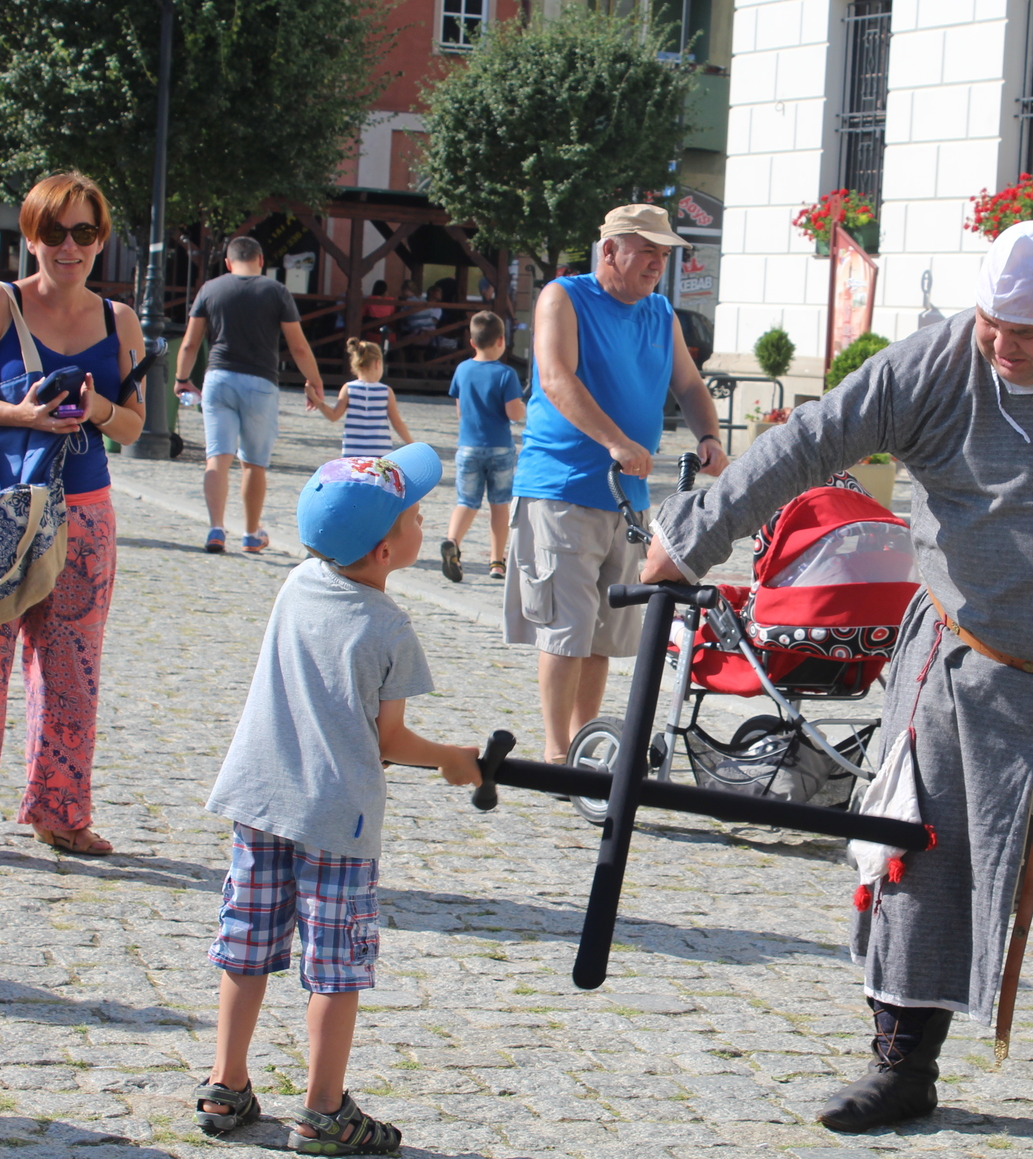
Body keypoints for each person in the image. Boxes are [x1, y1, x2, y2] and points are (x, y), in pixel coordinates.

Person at [641, 222, 1033, 1148]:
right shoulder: (937, 365)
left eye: (1022, 331)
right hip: (960, 671)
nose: (999, 344)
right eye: (990, 322)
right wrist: (689, 536)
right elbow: (807, 443)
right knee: (921, 868)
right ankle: (901, 1067)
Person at [196, 443, 481, 1150]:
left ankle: (225, 1087)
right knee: (335, 965)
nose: (424, 520)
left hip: (259, 801)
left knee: (247, 947)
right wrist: (451, 759)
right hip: (336, 818)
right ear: (388, 551)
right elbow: (389, 741)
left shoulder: (296, 583)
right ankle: (324, 1111)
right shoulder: (389, 628)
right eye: (416, 516)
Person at [0, 171, 147, 862]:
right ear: (30, 235)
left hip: (84, 512)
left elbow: (132, 426)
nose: (66, 247)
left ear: (101, 239)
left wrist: (96, 411)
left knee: (73, 671)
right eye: (52, 232)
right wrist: (21, 415)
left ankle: (61, 812)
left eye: (82, 232)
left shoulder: (118, 321)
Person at [506, 204, 728, 765]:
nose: (657, 262)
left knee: (605, 634)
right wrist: (615, 441)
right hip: (562, 486)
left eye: (663, 253)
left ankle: (589, 748)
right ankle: (558, 756)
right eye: (646, 250)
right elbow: (556, 377)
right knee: (565, 629)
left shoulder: (660, 314)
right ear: (610, 251)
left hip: (627, 501)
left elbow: (690, 384)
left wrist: (710, 436)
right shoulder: (564, 296)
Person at [174, 236, 325, 555]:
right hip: (260, 382)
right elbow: (297, 345)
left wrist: (182, 379)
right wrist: (314, 380)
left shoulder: (211, 289)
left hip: (218, 378)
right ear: (260, 260)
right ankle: (250, 533)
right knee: (253, 463)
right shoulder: (275, 291)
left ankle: (216, 529)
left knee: (217, 457)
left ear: (228, 263)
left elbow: (189, 343)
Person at [442, 311, 526, 584]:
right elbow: (514, 413)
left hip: (468, 446)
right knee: (499, 505)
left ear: (472, 341)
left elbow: (459, 411)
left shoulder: (462, 370)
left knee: (466, 502)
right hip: (499, 447)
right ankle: (496, 561)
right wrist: (523, 407)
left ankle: (452, 542)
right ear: (502, 341)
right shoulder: (506, 374)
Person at [319, 339, 412, 458]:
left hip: (352, 453)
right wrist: (412, 444)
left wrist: (316, 400)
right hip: (380, 452)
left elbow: (333, 415)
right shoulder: (386, 391)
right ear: (378, 363)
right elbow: (397, 423)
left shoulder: (348, 388)